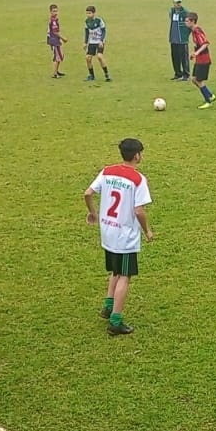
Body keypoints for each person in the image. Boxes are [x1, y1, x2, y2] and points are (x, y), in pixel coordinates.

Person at [84, 137, 154, 336]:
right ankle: (116, 320)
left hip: (107, 231)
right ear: (137, 155)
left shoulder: (107, 171)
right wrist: (147, 230)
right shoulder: (138, 179)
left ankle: (108, 306)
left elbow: (88, 193)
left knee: (115, 271)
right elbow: (139, 211)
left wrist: (92, 213)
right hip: (125, 236)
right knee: (125, 275)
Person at [186, 12, 216, 109]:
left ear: (193, 21)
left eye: (187, 21)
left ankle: (208, 101)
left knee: (198, 80)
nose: (185, 23)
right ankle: (210, 95)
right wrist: (194, 54)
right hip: (199, 59)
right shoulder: (194, 31)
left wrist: (196, 53)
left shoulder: (197, 31)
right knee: (194, 79)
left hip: (204, 59)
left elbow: (205, 43)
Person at [83, 5, 111, 82]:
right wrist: (85, 43)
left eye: (90, 13)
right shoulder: (87, 21)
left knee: (99, 57)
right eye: (87, 13)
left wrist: (102, 40)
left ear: (94, 13)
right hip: (92, 42)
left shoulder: (99, 20)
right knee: (88, 58)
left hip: (99, 42)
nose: (88, 15)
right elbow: (86, 32)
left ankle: (107, 74)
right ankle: (91, 75)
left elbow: (104, 31)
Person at [168, 0, 191, 80]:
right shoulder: (172, 11)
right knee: (175, 56)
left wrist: (186, 35)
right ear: (173, 3)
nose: (178, 4)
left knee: (184, 58)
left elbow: (190, 26)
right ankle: (178, 73)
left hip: (182, 39)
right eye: (176, 2)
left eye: (179, 2)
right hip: (174, 39)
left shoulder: (185, 12)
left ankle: (186, 74)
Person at [46, 4, 66, 78]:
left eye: (56, 11)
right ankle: (54, 74)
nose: (56, 12)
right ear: (50, 12)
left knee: (59, 55)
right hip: (54, 40)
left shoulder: (54, 19)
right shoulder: (53, 21)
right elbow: (55, 32)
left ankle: (56, 71)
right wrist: (63, 38)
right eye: (54, 11)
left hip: (54, 40)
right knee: (57, 56)